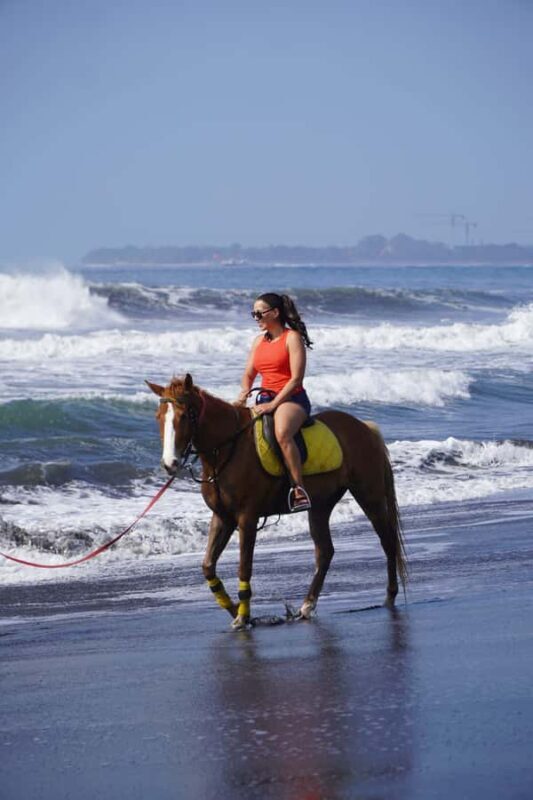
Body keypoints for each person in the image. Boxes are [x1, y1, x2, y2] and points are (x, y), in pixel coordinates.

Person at [235, 292, 313, 512]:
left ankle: (299, 489)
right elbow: (248, 374)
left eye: (259, 313)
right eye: (254, 314)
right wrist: (244, 392)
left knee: (282, 432)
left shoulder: (292, 338)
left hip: (292, 398)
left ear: (275, 313)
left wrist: (273, 405)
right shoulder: (258, 341)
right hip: (265, 397)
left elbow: (296, 378)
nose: (256, 318)